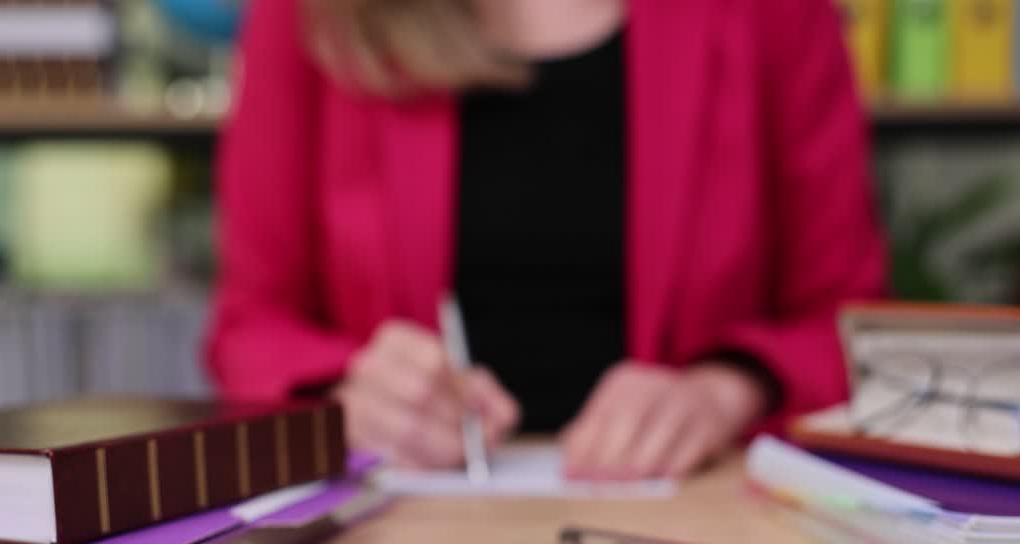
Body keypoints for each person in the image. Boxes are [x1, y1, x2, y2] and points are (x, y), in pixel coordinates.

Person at [206, 0, 885, 479]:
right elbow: (251, 326)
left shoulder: (777, 13)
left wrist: (725, 390)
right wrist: (352, 396)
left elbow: (851, 329)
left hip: (689, 541)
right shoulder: (311, 16)